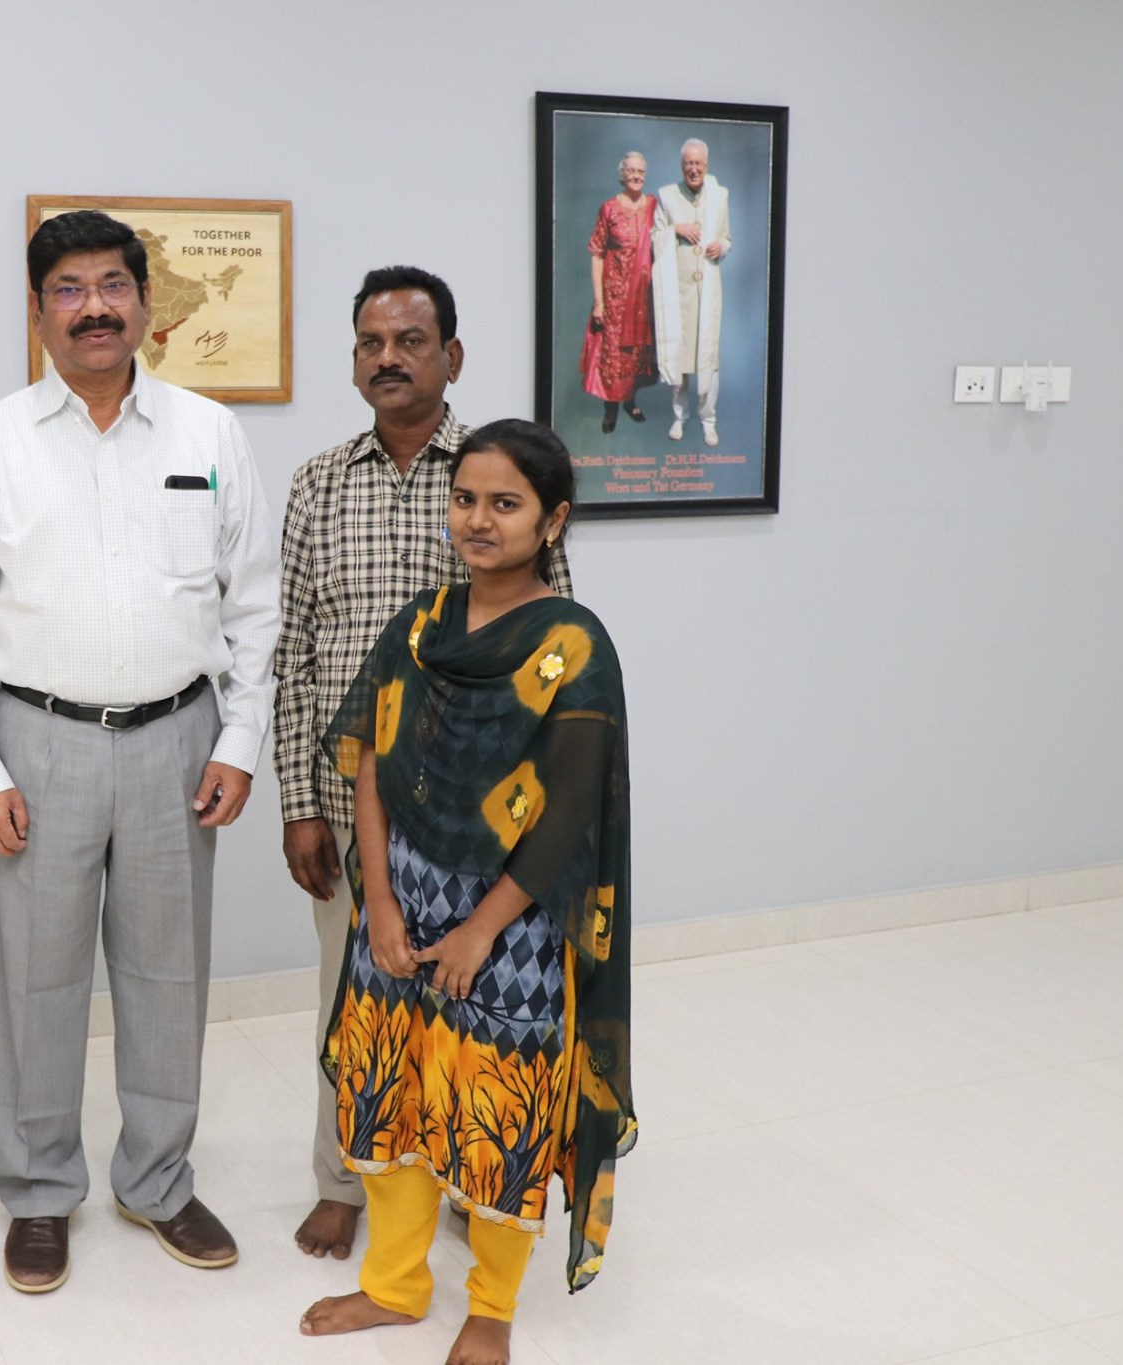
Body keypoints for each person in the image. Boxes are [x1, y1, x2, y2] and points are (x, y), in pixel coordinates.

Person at [0, 209, 280, 1295]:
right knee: (39, 980)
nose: (94, 308)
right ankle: (38, 1190)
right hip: (37, 743)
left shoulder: (209, 434)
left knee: (168, 977)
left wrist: (239, 740)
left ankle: (157, 1179)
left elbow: (254, 604)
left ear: (146, 303)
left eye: (113, 285)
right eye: (68, 290)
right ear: (37, 313)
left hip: (180, 741)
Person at [299, 419, 633, 1365]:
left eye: (505, 504)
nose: (478, 520)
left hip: (511, 927)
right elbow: (371, 761)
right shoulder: (422, 623)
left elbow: (567, 813)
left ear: (552, 520)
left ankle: (491, 1306)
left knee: (498, 1112)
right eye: (465, 499)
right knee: (388, 1091)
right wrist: (379, 902)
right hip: (399, 909)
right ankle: (395, 1284)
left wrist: (483, 930)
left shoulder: (572, 644)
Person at [275, 267, 573, 1263]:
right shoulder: (318, 481)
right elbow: (293, 652)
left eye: (409, 341)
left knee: (465, 998)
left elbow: (550, 645)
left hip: (477, 816)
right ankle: (343, 1181)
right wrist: (298, 800)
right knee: (352, 998)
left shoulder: (495, 472)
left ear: (452, 355)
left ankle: (458, 1171)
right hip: (348, 798)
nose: (387, 358)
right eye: (370, 342)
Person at [652, 138, 733, 446]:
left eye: (698, 163)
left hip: (708, 293)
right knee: (679, 356)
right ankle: (679, 416)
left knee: (707, 360)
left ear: (706, 166)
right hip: (678, 292)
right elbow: (654, 236)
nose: (693, 169)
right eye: (688, 163)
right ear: (682, 166)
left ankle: (708, 420)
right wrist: (676, 230)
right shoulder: (667, 196)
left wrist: (721, 246)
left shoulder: (719, 196)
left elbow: (727, 238)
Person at [585, 153, 658, 433]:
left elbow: (667, 237)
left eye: (641, 171)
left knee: (637, 355)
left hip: (644, 298)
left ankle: (630, 401)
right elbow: (596, 254)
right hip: (615, 298)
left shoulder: (654, 206)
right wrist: (599, 303)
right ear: (622, 175)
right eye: (631, 171)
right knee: (614, 357)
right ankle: (611, 408)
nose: (636, 175)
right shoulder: (609, 209)